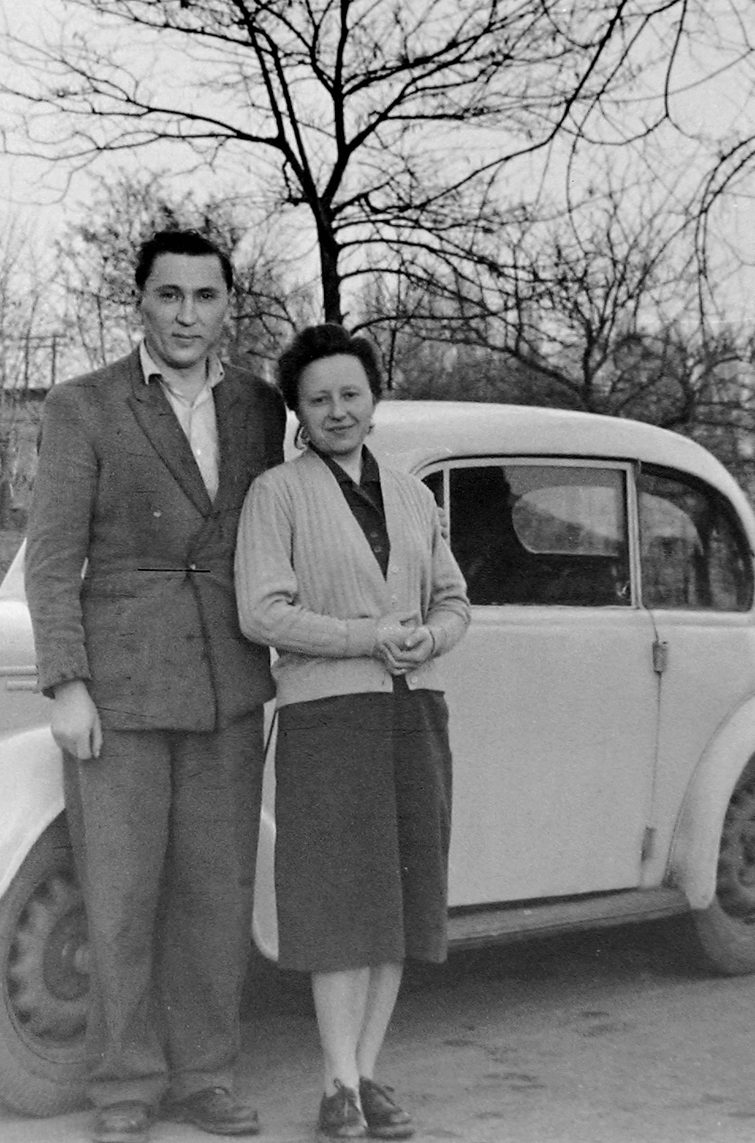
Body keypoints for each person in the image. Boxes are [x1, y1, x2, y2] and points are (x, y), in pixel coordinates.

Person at [24, 230, 287, 1143]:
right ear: (138, 301)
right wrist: (67, 683)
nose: (186, 315)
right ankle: (126, 1086)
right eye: (168, 295)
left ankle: (206, 1076)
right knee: (123, 894)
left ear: (228, 306)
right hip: (123, 692)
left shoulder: (259, 405)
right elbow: (54, 561)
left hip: (229, 688)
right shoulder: (84, 405)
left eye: (205, 297)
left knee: (217, 893)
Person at [234, 324, 470, 1142]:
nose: (338, 410)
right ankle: (334, 1083)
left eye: (351, 394)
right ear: (298, 410)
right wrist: (365, 635)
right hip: (327, 717)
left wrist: (427, 639)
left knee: (400, 901)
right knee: (341, 903)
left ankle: (369, 1073)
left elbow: (454, 600)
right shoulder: (278, 494)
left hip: (413, 713)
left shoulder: (411, 493)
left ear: (375, 399)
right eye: (319, 398)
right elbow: (262, 610)